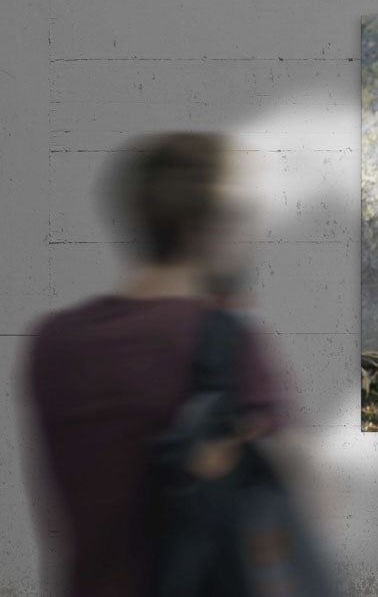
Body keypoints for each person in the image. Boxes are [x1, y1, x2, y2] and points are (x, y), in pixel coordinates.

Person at [20, 133, 285, 596]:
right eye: (243, 216)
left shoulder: (53, 342)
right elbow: (286, 521)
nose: (256, 233)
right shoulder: (224, 341)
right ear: (204, 229)